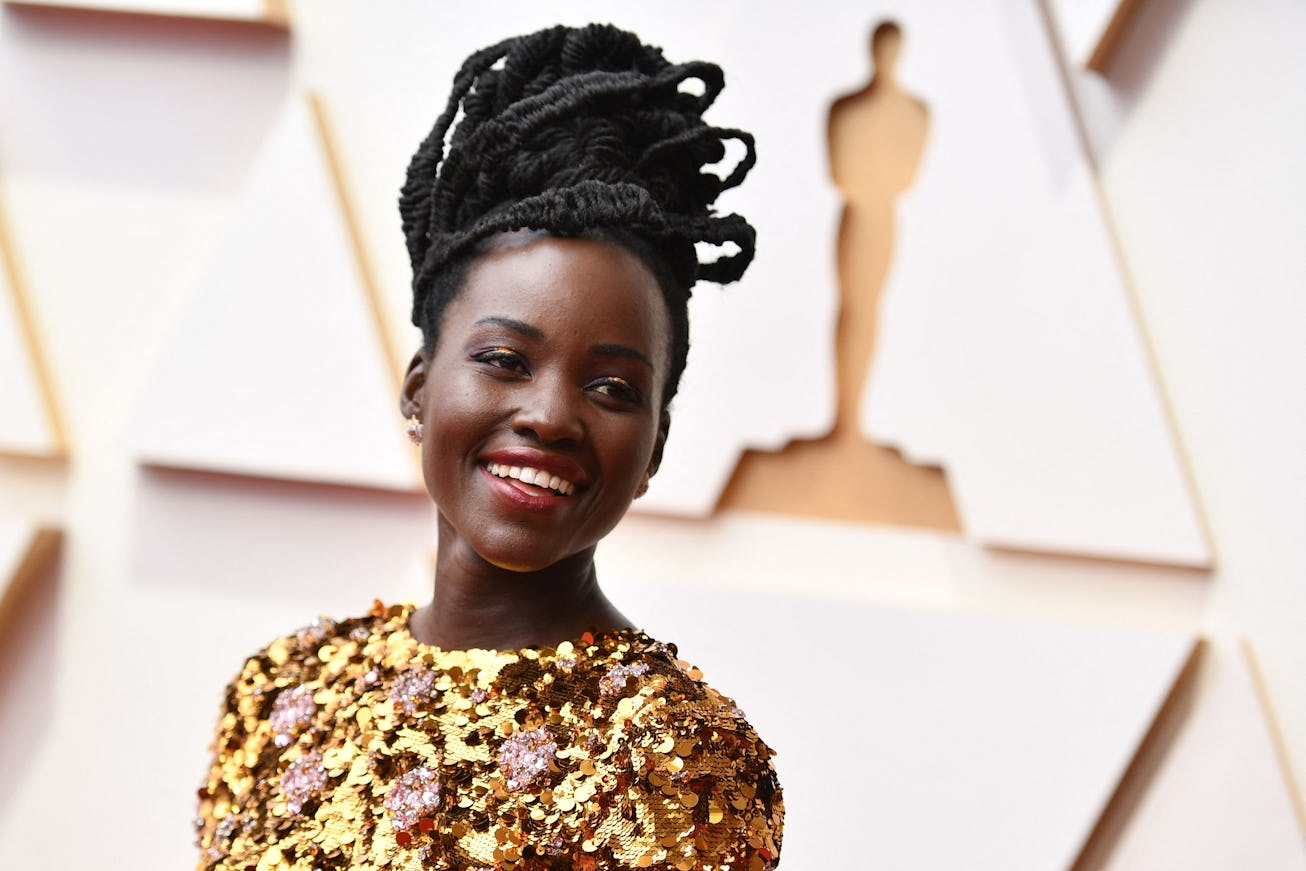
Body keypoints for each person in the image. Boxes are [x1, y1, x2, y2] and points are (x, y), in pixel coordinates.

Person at [194, 23, 783, 871]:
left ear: (654, 447)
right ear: (420, 387)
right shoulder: (283, 688)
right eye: (505, 360)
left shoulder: (676, 757)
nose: (550, 415)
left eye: (614, 388)